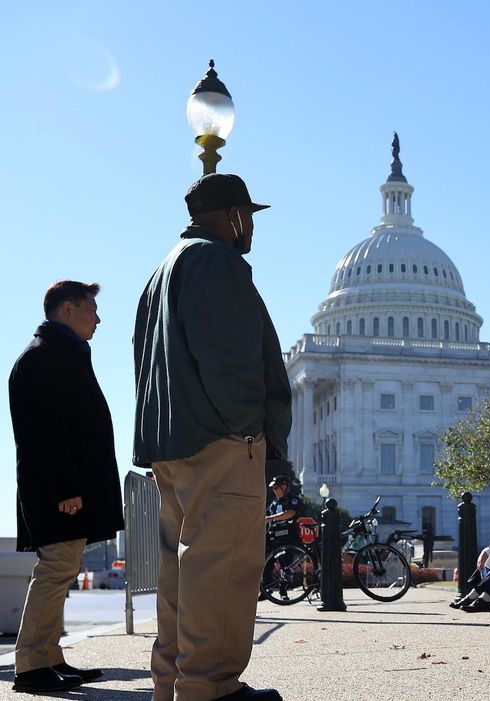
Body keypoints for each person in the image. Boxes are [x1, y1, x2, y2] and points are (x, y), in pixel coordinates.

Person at [133, 173, 292, 701]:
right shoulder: (217, 263)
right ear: (232, 216)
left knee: (184, 573)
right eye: (249, 217)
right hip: (221, 440)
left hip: (172, 445)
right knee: (223, 566)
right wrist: (250, 429)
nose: (252, 230)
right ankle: (211, 688)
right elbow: (232, 362)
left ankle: (171, 684)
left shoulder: (162, 271)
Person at [10, 281, 123, 694]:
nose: (98, 318)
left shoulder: (61, 355)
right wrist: (65, 489)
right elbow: (45, 433)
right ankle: (29, 665)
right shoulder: (43, 358)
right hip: (56, 493)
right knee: (55, 569)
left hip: (66, 490)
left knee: (62, 570)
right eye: (93, 309)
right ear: (69, 309)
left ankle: (49, 657)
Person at [264, 476, 302, 550]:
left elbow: (290, 513)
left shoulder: (292, 499)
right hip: (273, 537)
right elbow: (266, 514)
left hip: (287, 538)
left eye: (276, 488)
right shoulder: (275, 502)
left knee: (286, 560)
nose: (274, 491)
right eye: (273, 488)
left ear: (284, 487)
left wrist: (271, 518)